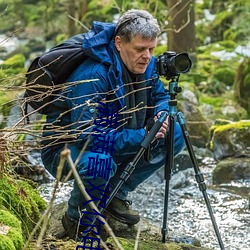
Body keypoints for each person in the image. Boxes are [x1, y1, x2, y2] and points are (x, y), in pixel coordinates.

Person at [41, 9, 185, 240]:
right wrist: (143, 135)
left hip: (119, 136)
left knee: (175, 133)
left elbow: (160, 96)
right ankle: (76, 218)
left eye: (152, 49)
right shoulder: (93, 75)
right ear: (119, 43)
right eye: (140, 49)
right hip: (68, 150)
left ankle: (115, 194)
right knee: (101, 163)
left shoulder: (146, 64)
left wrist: (161, 114)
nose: (147, 56)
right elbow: (89, 136)